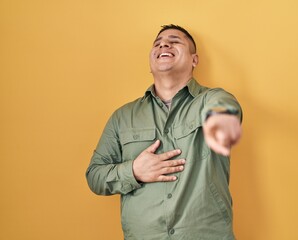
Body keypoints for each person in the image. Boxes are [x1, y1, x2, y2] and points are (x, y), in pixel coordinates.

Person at [86, 24, 243, 240]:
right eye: (157, 43)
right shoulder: (122, 117)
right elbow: (95, 175)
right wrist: (133, 171)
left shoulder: (212, 99)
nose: (164, 44)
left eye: (174, 41)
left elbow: (228, 115)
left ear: (194, 59)